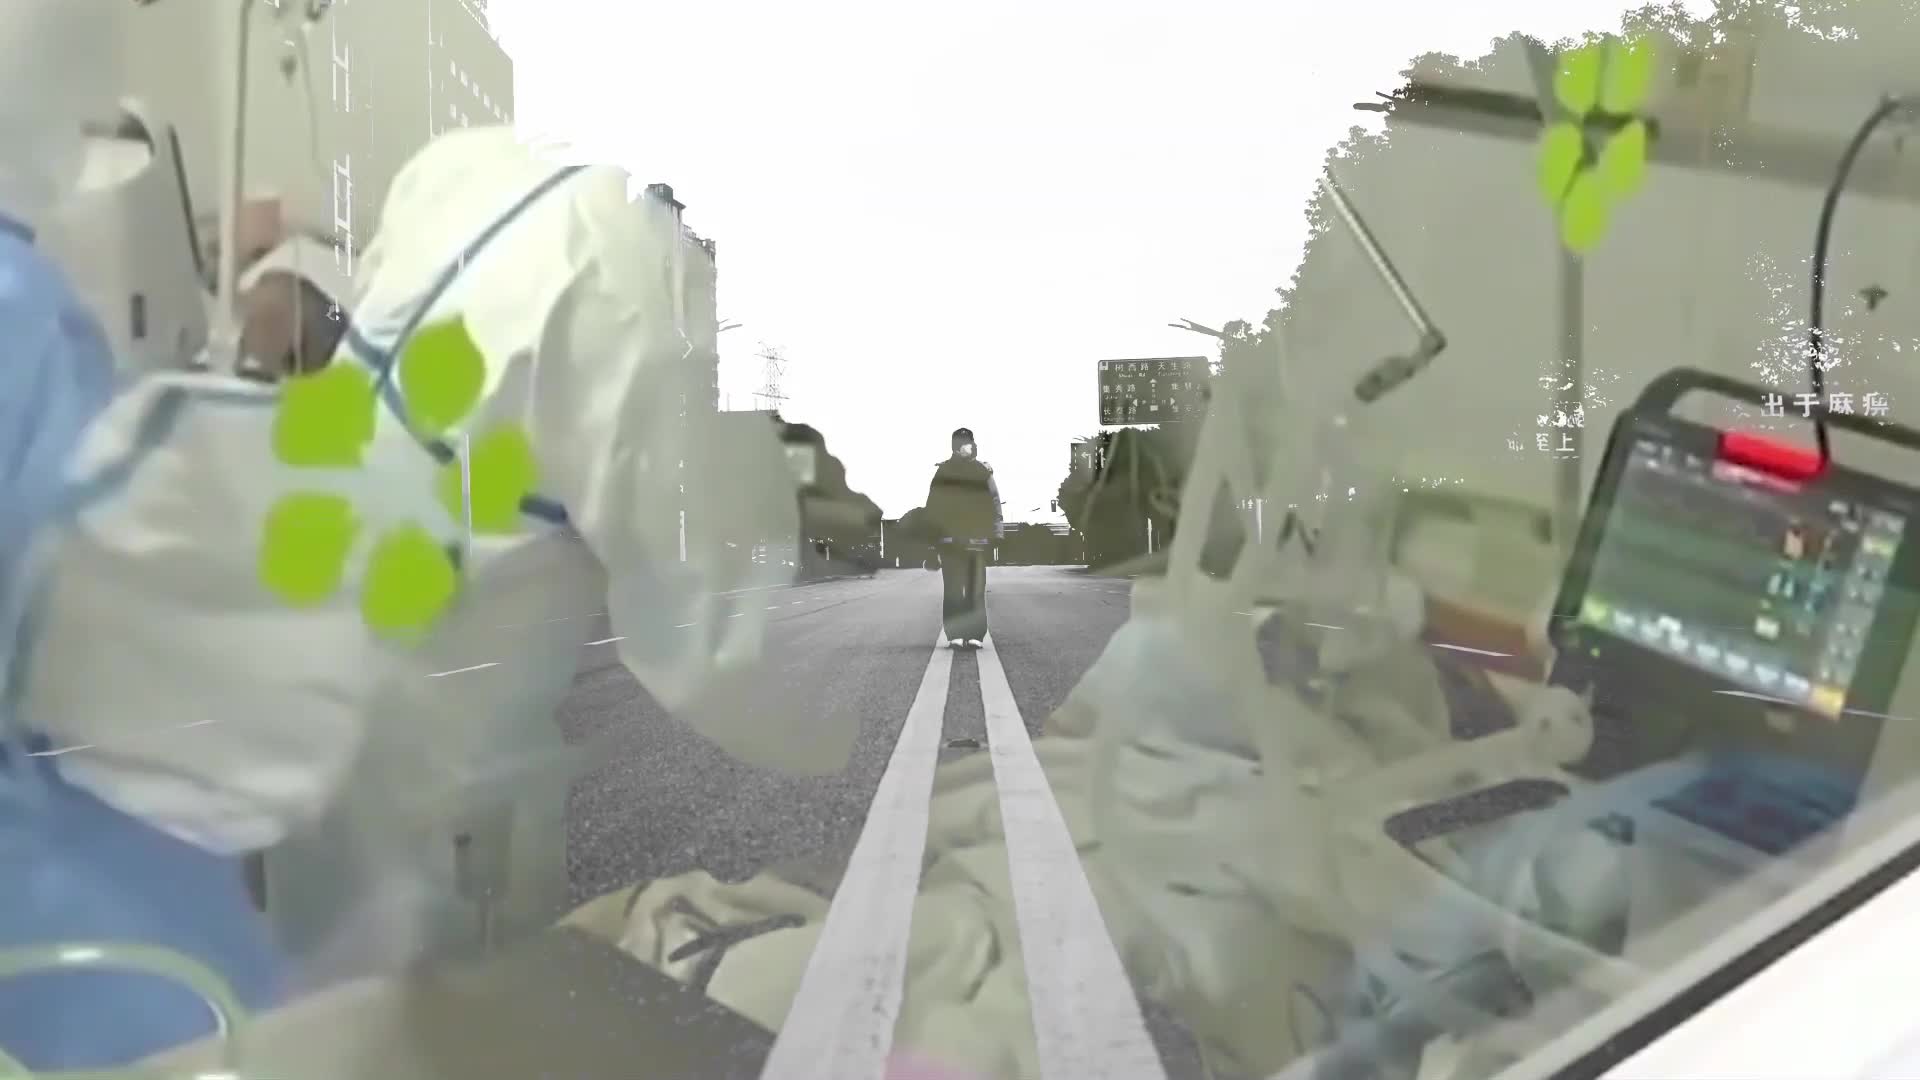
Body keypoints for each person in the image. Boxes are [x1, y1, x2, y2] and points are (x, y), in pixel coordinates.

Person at [925, 427, 1001, 647]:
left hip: (977, 539)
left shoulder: (983, 471)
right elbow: (933, 507)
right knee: (953, 589)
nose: (972, 446)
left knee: (976, 589)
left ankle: (976, 634)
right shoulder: (943, 472)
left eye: (972, 442)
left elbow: (995, 502)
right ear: (957, 447)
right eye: (967, 443)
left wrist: (997, 533)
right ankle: (955, 634)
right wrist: (932, 542)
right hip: (950, 541)